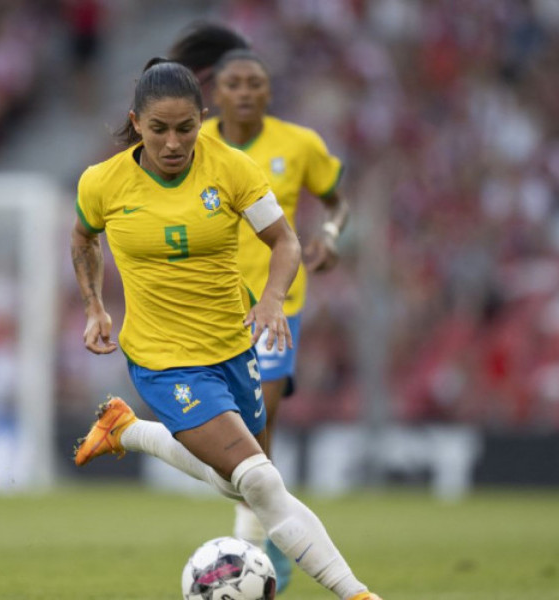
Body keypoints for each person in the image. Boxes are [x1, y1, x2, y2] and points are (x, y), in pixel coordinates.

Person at [71, 58, 381, 600]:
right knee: (261, 479)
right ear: (136, 123)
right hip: (162, 359)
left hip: (233, 348)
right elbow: (82, 239)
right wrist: (96, 306)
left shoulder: (231, 168)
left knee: (244, 482)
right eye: (159, 129)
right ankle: (357, 593)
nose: (173, 142)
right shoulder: (103, 182)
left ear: (201, 119)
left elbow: (284, 242)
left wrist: (272, 300)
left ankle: (128, 431)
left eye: (186, 128)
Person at [169, 25, 350, 592]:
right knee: (227, 432)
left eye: (256, 84)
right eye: (234, 84)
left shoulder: (299, 144)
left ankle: (256, 540)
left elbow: (336, 200)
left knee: (259, 419)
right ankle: (265, 526)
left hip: (277, 305)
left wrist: (332, 233)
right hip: (210, 305)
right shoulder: (192, 147)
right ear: (215, 94)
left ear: (270, 93)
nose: (245, 92)